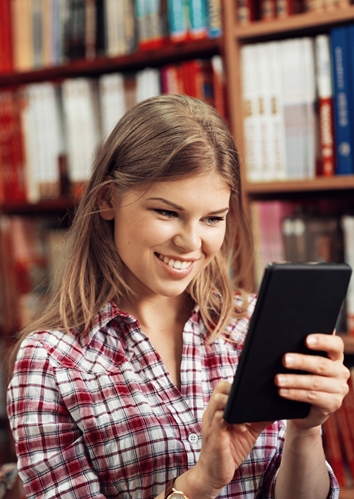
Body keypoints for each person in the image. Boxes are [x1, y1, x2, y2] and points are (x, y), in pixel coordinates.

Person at [7, 94, 350, 499]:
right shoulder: (51, 362)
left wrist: (305, 431)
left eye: (211, 219)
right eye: (167, 212)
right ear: (107, 199)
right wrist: (199, 484)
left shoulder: (253, 326)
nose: (191, 243)